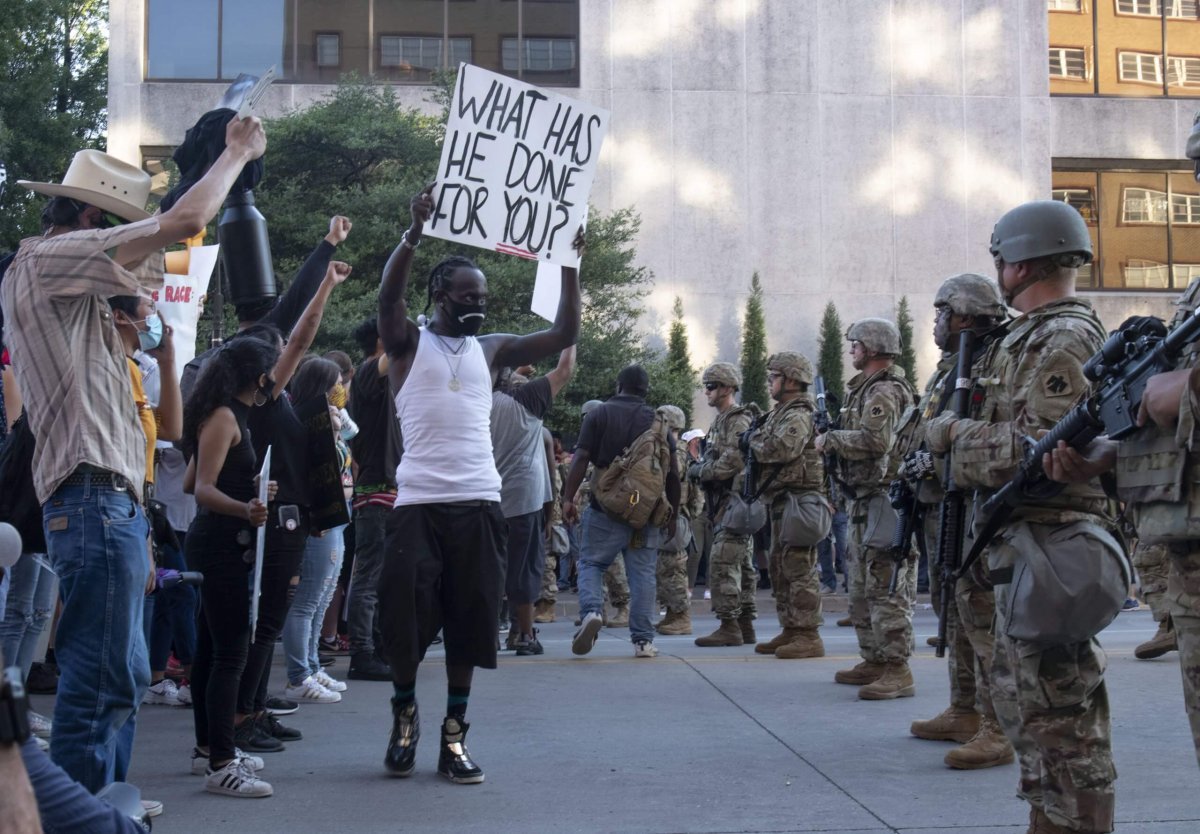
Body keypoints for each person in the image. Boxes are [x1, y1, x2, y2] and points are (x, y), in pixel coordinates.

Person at [0, 120, 265, 793]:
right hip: (93, 501)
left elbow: (170, 245)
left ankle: (106, 807)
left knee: (116, 678)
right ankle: (86, 812)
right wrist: (233, 155)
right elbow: (183, 222)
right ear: (91, 220)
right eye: (118, 224)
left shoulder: (71, 287)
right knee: (102, 682)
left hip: (106, 503)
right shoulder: (51, 259)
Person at [375, 185, 582, 784]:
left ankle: (454, 737)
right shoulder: (407, 345)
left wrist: (567, 261)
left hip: (480, 505)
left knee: (470, 625)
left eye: (484, 297)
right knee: (405, 627)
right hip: (418, 506)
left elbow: (565, 331)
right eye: (469, 295)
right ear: (441, 295)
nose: (479, 304)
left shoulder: (491, 350)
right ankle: (405, 716)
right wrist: (413, 233)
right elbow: (389, 295)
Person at [928, 200, 1117, 833]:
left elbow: (1038, 451)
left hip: (1052, 544)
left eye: (1000, 256)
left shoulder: (1061, 336)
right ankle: (1050, 819)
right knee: (1034, 716)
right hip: (1023, 546)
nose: (997, 269)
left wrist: (954, 435)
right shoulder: (1028, 334)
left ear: (1023, 259)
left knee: (1063, 722)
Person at [233, 261, 351, 753]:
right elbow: (301, 338)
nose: (290, 355)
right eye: (279, 354)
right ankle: (242, 717)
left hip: (295, 520)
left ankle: (255, 709)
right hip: (275, 524)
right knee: (264, 623)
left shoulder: (279, 403)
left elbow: (298, 339)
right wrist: (323, 285)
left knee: (272, 620)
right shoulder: (264, 400)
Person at [897, 273, 1013, 770]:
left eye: (942, 313)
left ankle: (999, 723)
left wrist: (940, 459)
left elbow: (994, 435)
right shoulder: (949, 368)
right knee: (960, 610)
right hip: (945, 503)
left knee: (983, 617)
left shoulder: (996, 360)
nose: (936, 323)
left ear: (964, 315)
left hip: (978, 506)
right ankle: (965, 708)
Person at [183, 336, 279, 797]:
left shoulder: (228, 414)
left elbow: (191, 476)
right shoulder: (223, 416)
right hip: (220, 544)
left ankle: (209, 746)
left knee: (211, 649)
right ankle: (221, 761)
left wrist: (253, 487)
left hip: (219, 543)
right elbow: (200, 488)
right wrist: (247, 507)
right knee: (230, 655)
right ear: (257, 377)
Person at [815, 318, 916, 699]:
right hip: (862, 501)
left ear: (872, 348)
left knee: (884, 589)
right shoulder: (867, 391)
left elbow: (877, 441)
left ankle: (897, 668)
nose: (851, 350)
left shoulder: (885, 391)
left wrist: (831, 439)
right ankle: (874, 659)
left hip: (884, 501)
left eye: (856, 344)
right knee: (859, 588)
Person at [563, 365, 681, 659]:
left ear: (618, 386)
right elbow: (672, 474)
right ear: (645, 391)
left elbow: (582, 457)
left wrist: (567, 497)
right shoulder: (658, 423)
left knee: (591, 562)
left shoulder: (598, 414)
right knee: (642, 575)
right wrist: (674, 514)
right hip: (646, 513)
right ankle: (643, 641)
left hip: (606, 509)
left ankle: (591, 611)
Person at [491, 348, 576, 655]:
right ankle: (524, 634)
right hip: (524, 501)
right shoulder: (528, 402)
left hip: (486, 499)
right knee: (525, 568)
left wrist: (513, 369)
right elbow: (564, 369)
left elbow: (502, 378)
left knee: (490, 569)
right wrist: (570, 336)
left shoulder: (477, 402)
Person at [747, 352, 826, 659]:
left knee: (799, 569)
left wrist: (752, 440)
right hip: (783, 499)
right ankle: (792, 628)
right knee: (781, 568)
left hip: (800, 499)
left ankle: (808, 634)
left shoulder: (798, 414)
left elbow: (781, 448)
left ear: (791, 380)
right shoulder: (781, 412)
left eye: (773, 377)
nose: (769, 383)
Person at [281, 357, 351, 703]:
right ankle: (298, 675)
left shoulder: (332, 419)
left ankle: (311, 665)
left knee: (322, 598)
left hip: (336, 517)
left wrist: (337, 427)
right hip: (319, 521)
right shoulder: (305, 421)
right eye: (336, 383)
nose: (341, 389)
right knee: (309, 598)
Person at [345, 317, 402, 681]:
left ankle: (379, 647)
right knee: (368, 577)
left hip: (388, 492)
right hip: (375, 492)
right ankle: (361, 653)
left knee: (383, 578)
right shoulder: (368, 373)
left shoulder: (387, 382)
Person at [689, 363, 759, 647]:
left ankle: (730, 625)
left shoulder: (737, 420)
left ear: (728, 388)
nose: (706, 391)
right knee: (739, 564)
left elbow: (733, 461)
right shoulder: (721, 421)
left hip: (736, 502)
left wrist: (700, 471)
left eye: (712, 386)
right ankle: (744, 626)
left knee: (723, 563)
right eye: (706, 385)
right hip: (725, 503)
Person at [655, 405, 698, 637]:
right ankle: (672, 614)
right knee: (665, 568)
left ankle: (682, 617)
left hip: (676, 516)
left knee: (674, 568)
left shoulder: (678, 451)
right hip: (668, 515)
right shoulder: (668, 448)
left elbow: (672, 475)